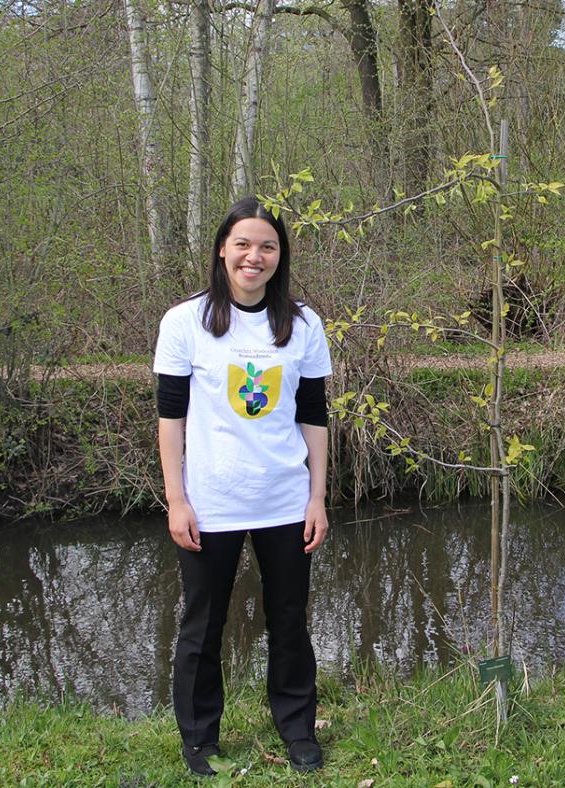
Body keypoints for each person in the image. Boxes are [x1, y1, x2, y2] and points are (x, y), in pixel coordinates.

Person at [154, 196, 333, 776]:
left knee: (289, 621)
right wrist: (177, 499)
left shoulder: (303, 325)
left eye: (268, 246)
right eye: (244, 245)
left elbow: (314, 417)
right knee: (202, 627)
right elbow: (170, 419)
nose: (254, 257)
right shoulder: (184, 323)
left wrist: (317, 497)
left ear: (280, 256)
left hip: (284, 499)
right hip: (211, 504)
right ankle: (200, 740)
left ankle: (297, 731)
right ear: (222, 251)